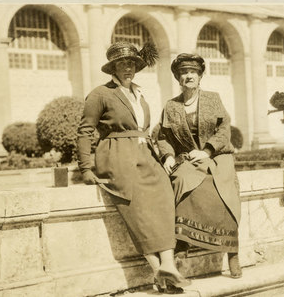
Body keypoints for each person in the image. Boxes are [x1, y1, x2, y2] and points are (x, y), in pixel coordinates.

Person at [77, 41, 191, 292]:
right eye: (121, 63)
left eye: (131, 63)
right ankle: (157, 269)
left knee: (164, 196)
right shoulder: (100, 94)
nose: (127, 67)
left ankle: (168, 266)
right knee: (136, 209)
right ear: (112, 68)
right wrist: (86, 168)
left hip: (145, 154)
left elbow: (147, 130)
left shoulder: (139, 93)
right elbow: (85, 131)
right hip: (118, 156)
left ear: (136, 66)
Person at [157, 53, 243, 278]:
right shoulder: (171, 106)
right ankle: (183, 242)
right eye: (184, 73)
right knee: (181, 181)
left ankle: (232, 252)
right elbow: (163, 136)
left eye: (193, 72)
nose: (189, 76)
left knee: (224, 188)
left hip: (216, 156)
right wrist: (167, 156)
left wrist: (207, 150)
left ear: (200, 76)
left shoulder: (213, 98)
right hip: (188, 158)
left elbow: (224, 130)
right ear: (178, 77)